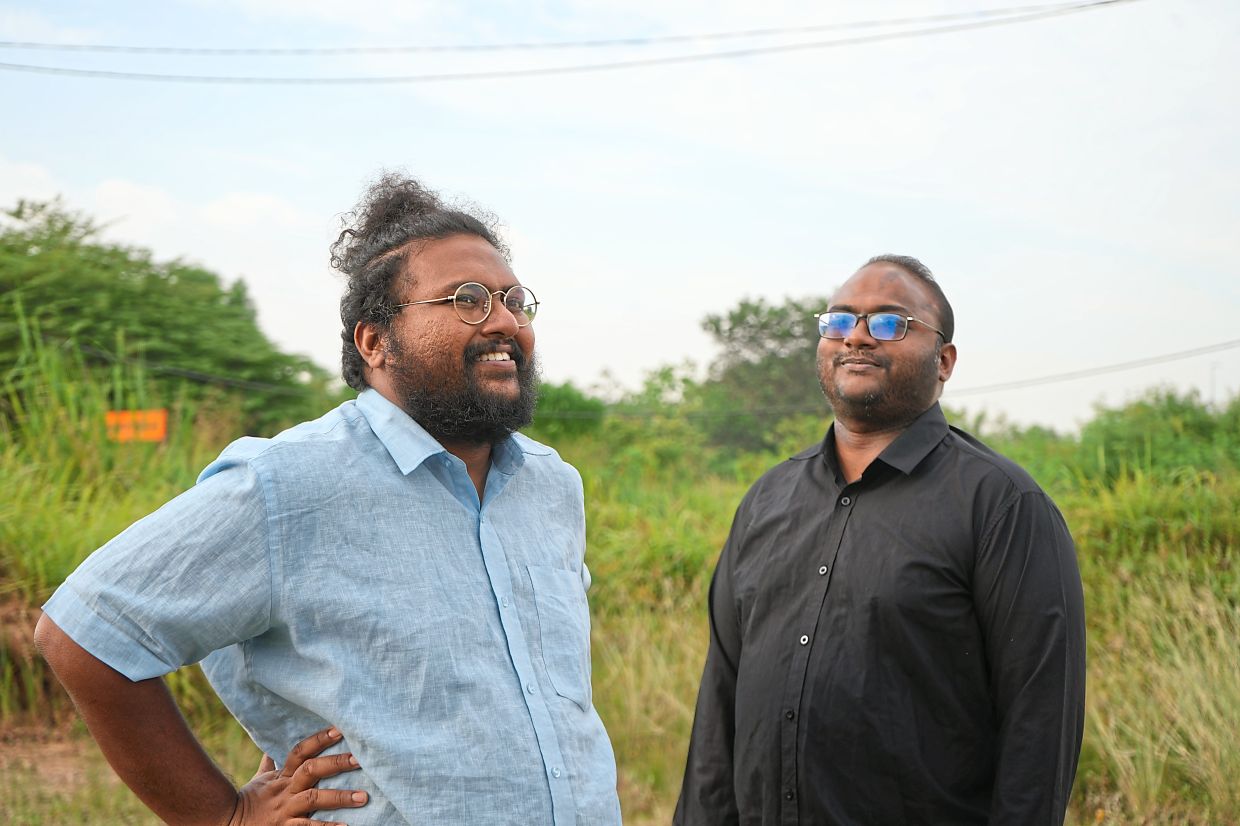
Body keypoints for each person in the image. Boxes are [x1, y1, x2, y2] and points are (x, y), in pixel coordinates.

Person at [34, 173, 622, 826]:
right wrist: (223, 817)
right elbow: (85, 634)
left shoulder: (552, 486)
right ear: (374, 341)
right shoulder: (291, 486)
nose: (507, 322)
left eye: (515, 300)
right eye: (469, 299)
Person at [674, 255, 1086, 825]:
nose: (857, 338)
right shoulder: (766, 502)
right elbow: (719, 707)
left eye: (889, 323)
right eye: (839, 322)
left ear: (943, 361)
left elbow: (1040, 730)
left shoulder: (1004, 507)